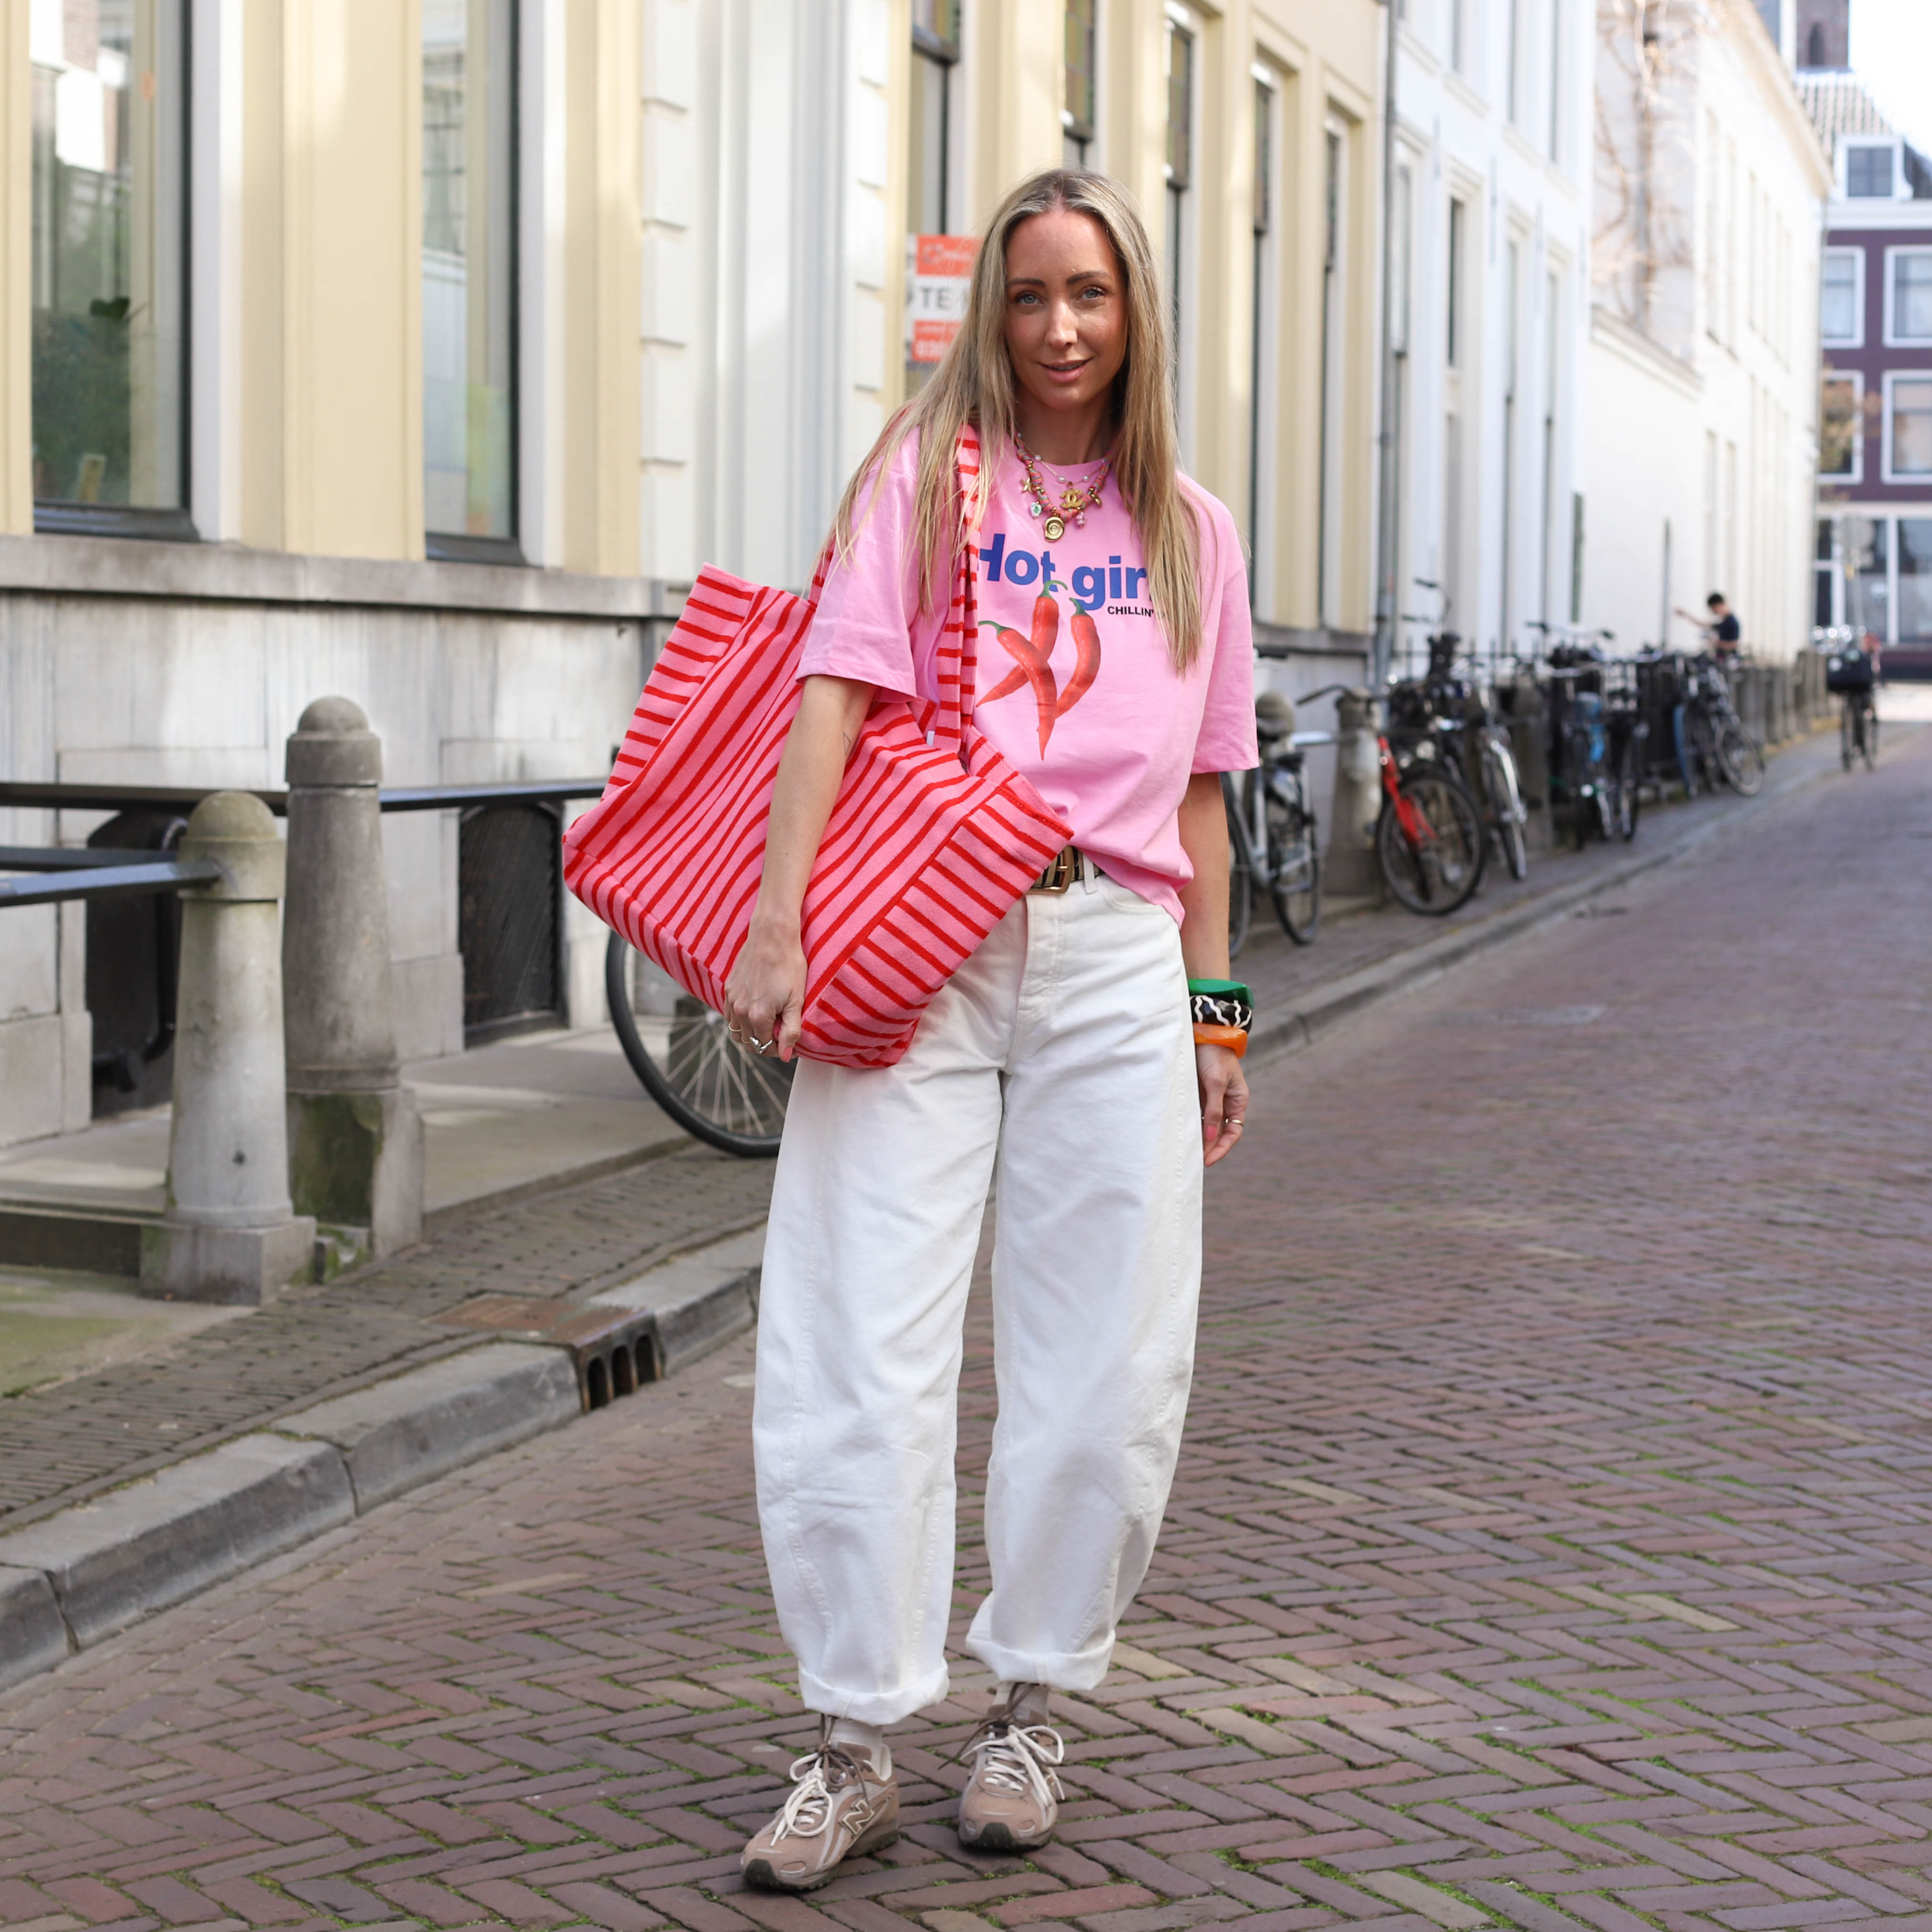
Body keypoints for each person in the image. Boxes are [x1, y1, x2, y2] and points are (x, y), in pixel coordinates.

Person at [721, 167, 1258, 1892]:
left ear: (1134, 308)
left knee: (1107, 1361)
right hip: (920, 943)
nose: (1058, 328)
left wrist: (1218, 1012)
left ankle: (1031, 1702)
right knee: (856, 1335)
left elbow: (1201, 801)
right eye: (1028, 295)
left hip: (1116, 957)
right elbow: (831, 692)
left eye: (1088, 293)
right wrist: (779, 917)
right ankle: (850, 1738)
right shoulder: (924, 474)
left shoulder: (1193, 531)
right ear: (991, 312)